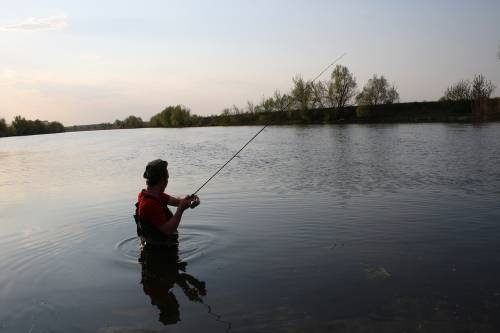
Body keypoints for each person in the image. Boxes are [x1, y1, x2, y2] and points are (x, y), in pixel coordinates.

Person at [134, 159, 200, 247]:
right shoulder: (149, 204)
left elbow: (176, 201)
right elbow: (168, 230)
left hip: (156, 246)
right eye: (167, 178)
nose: (167, 182)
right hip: (159, 251)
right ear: (162, 180)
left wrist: (189, 199)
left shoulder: (150, 194)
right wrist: (180, 210)